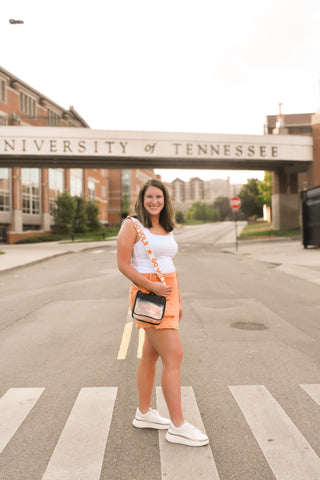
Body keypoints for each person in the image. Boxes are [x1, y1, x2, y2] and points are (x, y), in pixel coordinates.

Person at [117, 178, 209, 447]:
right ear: (142, 199)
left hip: (169, 293)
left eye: (159, 197)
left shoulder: (164, 226)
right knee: (174, 356)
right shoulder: (132, 224)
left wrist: (178, 299)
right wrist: (151, 285)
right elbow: (123, 264)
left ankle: (144, 413)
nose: (154, 201)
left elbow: (168, 264)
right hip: (150, 294)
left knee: (150, 355)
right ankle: (178, 426)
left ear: (165, 200)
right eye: (149, 197)